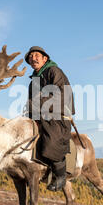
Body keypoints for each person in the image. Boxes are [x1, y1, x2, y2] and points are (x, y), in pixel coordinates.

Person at [25, 46, 75, 192]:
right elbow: (30, 103)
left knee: (51, 138)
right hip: (40, 116)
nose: (33, 58)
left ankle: (60, 175)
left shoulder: (54, 71)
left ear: (45, 58)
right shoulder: (33, 81)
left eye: (36, 55)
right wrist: (30, 117)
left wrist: (40, 102)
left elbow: (64, 95)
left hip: (58, 115)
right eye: (30, 57)